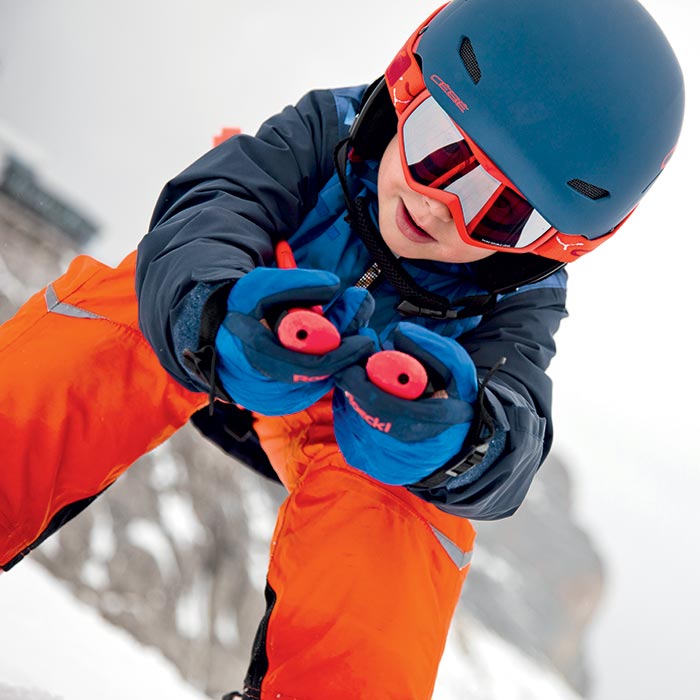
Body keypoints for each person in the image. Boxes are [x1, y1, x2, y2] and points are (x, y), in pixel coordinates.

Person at [0, 1, 684, 698]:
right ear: (402, 90)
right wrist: (214, 309)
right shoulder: (327, 129)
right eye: (436, 147)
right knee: (116, 322)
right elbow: (212, 208)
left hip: (361, 433)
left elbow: (517, 425)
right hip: (229, 340)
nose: (441, 202)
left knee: (406, 533)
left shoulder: (518, 295)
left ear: (544, 246)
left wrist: (453, 441)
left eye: (498, 209)